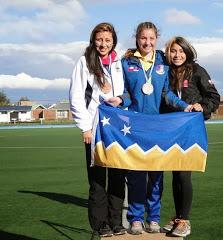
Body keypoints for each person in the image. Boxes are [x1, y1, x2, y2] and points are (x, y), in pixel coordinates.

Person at [106, 22, 198, 235]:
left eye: (151, 38)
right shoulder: (127, 62)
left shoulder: (163, 61)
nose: (147, 42)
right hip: (135, 126)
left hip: (158, 126)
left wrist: (186, 106)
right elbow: (128, 93)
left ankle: (153, 217)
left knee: (156, 175)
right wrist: (119, 99)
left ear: (156, 39)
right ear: (136, 39)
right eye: (143, 38)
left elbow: (167, 94)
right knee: (137, 174)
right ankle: (136, 218)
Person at [69, 22, 127, 237]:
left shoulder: (119, 61)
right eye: (99, 40)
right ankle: (100, 224)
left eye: (107, 40)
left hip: (119, 129)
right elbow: (76, 96)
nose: (103, 44)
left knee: (118, 177)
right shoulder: (85, 62)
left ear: (113, 42)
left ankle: (116, 222)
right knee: (98, 179)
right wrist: (85, 127)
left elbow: (125, 91)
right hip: (95, 129)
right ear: (93, 39)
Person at [161, 36, 220, 237]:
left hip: (190, 130)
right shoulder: (166, 71)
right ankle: (178, 217)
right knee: (176, 174)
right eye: (173, 51)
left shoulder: (197, 70)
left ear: (187, 51)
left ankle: (185, 220)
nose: (177, 55)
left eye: (181, 51)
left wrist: (202, 107)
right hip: (170, 129)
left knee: (184, 174)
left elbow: (214, 96)